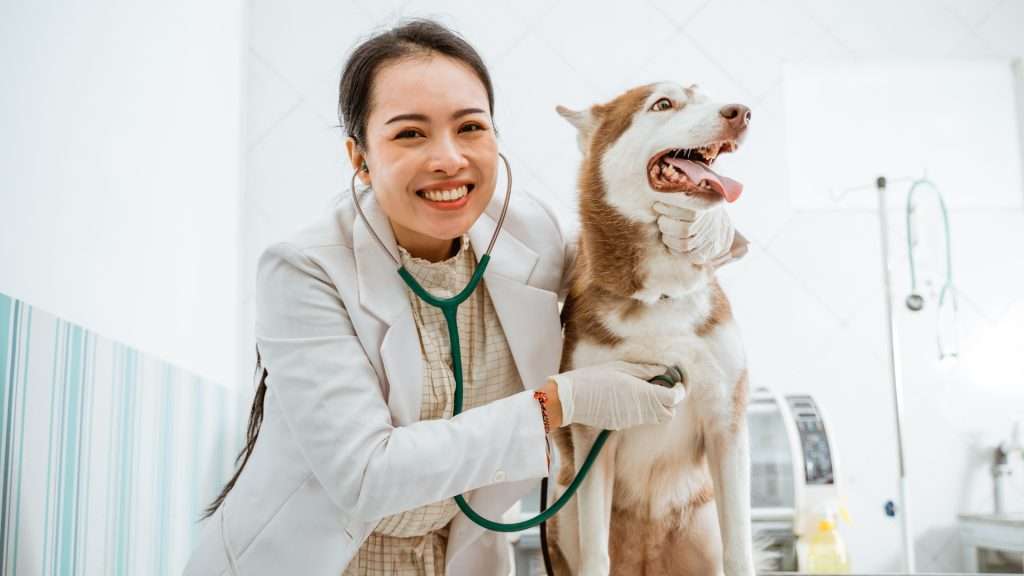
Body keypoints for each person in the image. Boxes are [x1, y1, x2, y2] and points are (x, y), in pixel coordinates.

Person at [183, 19, 745, 576]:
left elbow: (627, 268)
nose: (448, 158)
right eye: (410, 133)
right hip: (321, 560)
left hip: (455, 560)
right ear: (360, 157)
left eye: (470, 127)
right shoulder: (303, 272)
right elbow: (365, 477)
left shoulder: (529, 235)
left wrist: (710, 233)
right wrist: (558, 403)